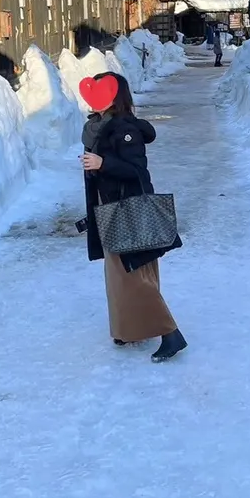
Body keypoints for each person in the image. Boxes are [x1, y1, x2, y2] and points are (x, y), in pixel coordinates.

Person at [79, 72, 186, 362]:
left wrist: (104, 163)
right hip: (110, 209)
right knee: (118, 275)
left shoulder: (125, 130)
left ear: (115, 97)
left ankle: (170, 334)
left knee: (134, 276)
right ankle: (129, 329)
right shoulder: (98, 128)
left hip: (127, 211)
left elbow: (138, 172)